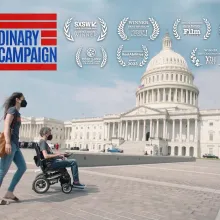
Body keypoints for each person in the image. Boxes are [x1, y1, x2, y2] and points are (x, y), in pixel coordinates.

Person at [0, 92, 27, 205]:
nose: (25, 100)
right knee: (2, 170)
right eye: (23, 98)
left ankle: (9, 192)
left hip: (16, 145)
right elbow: (6, 126)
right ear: (17, 99)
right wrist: (7, 143)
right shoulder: (12, 110)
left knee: (22, 167)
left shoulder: (18, 113)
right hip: (10, 143)